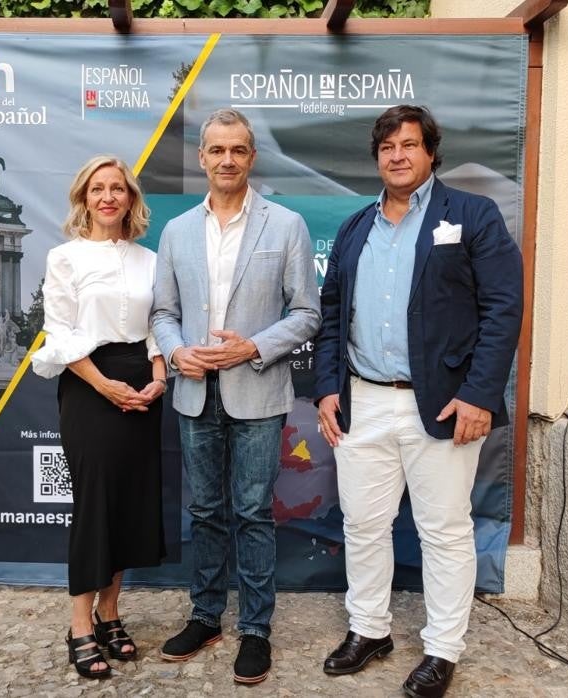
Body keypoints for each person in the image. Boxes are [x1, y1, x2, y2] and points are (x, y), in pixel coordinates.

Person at [313, 105, 523, 697]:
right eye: (387, 147)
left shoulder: (473, 215)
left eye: (409, 144)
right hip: (364, 400)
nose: (397, 155)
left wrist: (481, 394)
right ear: (377, 157)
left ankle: (442, 649)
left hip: (443, 403)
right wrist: (328, 388)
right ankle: (369, 629)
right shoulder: (357, 227)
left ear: (431, 152)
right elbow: (332, 316)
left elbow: (503, 308)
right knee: (364, 525)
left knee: (445, 530)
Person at [151, 108, 321, 685]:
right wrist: (176, 353)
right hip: (196, 393)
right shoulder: (176, 231)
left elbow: (306, 314)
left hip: (258, 391)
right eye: (216, 150)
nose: (227, 160)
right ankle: (205, 616)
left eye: (238, 150)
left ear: (252, 157)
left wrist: (251, 346)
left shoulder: (286, 225)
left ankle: (255, 628)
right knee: (204, 511)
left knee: (251, 512)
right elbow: (163, 313)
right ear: (201, 158)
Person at [31, 155, 167, 680]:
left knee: (129, 503)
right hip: (89, 382)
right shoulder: (64, 258)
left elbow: (160, 322)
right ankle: (80, 625)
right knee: (95, 504)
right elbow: (60, 332)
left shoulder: (149, 259)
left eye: (118, 188)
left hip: (142, 380)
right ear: (83, 198)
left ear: (131, 198)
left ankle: (112, 612)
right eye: (97, 189)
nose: (108, 196)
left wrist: (158, 375)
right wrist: (104, 384)